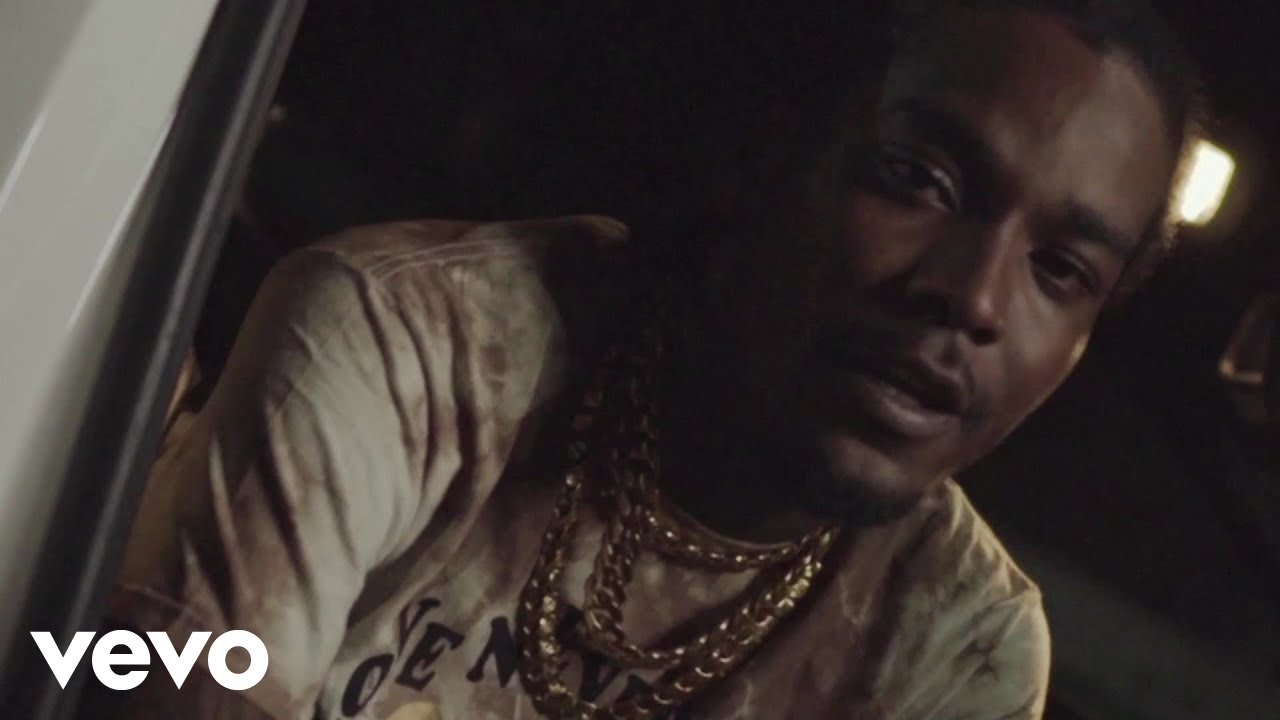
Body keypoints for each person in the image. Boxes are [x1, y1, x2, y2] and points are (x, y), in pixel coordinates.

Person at [82, 0, 1200, 718]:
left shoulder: (958, 646)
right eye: (920, 180)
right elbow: (158, 680)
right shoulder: (412, 342)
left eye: (1061, 270)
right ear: (766, 152)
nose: (974, 297)